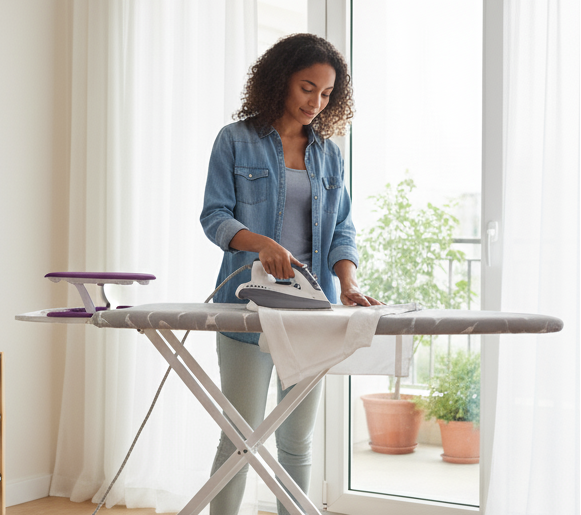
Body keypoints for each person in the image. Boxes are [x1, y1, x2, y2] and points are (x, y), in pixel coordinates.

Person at [200, 33, 380, 515]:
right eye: (307, 88)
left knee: (297, 443)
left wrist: (350, 282)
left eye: (325, 94)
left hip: (311, 311)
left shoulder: (329, 154)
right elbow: (215, 216)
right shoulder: (235, 140)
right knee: (240, 436)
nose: (315, 103)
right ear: (280, 80)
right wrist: (261, 243)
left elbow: (342, 226)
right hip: (245, 309)